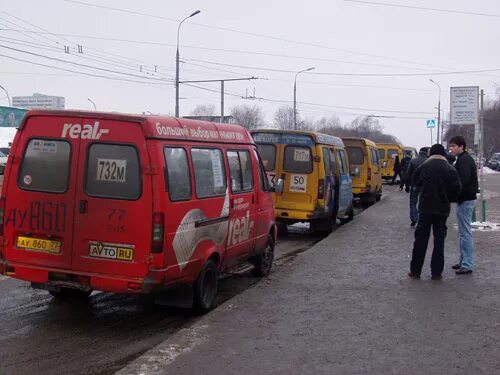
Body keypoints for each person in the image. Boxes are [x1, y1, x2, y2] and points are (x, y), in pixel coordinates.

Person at [409, 144, 461, 280]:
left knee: (420, 240)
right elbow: (457, 189)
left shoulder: (424, 166)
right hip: (442, 210)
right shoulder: (450, 169)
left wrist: (423, 190)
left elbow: (415, 181)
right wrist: (448, 198)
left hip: (425, 208)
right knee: (439, 242)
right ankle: (436, 272)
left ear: (430, 153)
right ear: (443, 154)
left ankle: (415, 271)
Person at [449, 135, 478, 275]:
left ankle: (467, 264)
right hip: (464, 200)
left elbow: (462, 182)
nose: (451, 148)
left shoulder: (464, 160)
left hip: (465, 200)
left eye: (454, 146)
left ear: (462, 147)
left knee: (465, 233)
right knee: (462, 233)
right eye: (451, 146)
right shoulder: (462, 159)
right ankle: (463, 261)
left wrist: (454, 195)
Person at [405, 147, 429, 227]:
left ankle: (414, 219)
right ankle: (422, 220)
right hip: (426, 186)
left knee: (413, 202)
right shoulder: (429, 161)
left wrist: (407, 186)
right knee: (424, 203)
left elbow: (408, 174)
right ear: (426, 153)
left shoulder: (413, 160)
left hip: (415, 185)